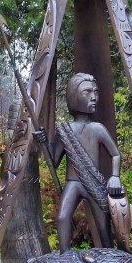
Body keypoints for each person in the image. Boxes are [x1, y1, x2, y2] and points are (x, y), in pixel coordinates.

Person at [35, 73, 124, 253]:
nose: (94, 97)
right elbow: (53, 160)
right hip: (73, 183)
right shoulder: (64, 130)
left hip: (95, 184)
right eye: (88, 92)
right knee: (62, 217)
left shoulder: (97, 129)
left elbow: (115, 154)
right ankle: (65, 254)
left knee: (103, 227)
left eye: (96, 92)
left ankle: (110, 255)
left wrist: (115, 176)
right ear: (74, 96)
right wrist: (44, 142)